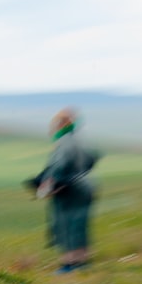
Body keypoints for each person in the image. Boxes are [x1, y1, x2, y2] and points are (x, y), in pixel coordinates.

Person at [35, 108, 100, 274]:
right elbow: (92, 158)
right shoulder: (79, 140)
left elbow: (59, 165)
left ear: (59, 124)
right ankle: (82, 261)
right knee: (80, 223)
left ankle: (69, 264)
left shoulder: (64, 142)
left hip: (69, 189)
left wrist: (49, 183)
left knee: (66, 224)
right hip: (85, 186)